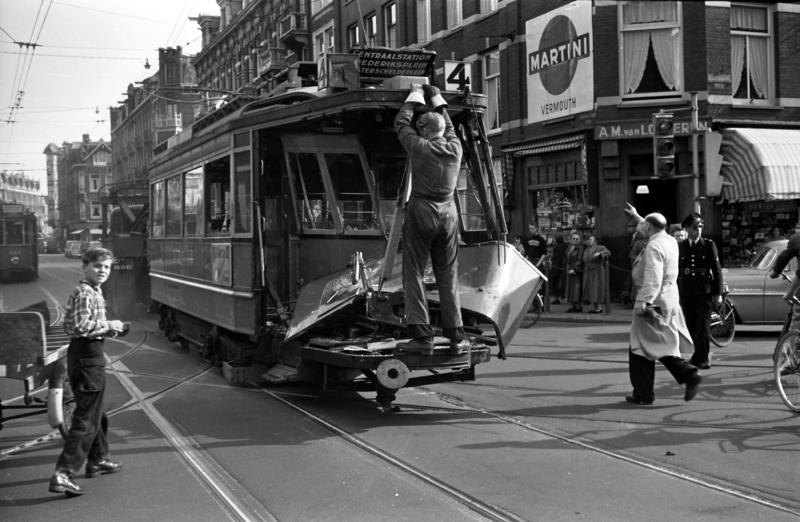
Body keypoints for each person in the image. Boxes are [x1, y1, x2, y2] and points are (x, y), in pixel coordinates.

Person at [393, 84, 469, 355]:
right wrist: (436, 97)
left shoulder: (419, 147)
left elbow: (401, 122)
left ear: (424, 130)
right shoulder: (455, 147)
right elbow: (448, 125)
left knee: (413, 270)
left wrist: (414, 96)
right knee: (448, 273)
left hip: (423, 210)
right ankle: (456, 335)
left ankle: (421, 335)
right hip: (449, 214)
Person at [49, 248, 126, 497]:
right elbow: (80, 327)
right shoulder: (85, 292)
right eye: (97, 266)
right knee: (86, 418)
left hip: (89, 354)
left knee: (97, 412)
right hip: (86, 356)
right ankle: (64, 473)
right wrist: (109, 325)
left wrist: (109, 330)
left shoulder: (94, 291)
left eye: (106, 267)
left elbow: (73, 324)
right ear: (84, 267)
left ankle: (98, 459)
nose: (102, 271)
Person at [627, 212, 702, 405]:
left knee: (646, 347)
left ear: (650, 228)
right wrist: (637, 216)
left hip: (654, 300)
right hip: (668, 297)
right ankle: (642, 393)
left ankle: (687, 374)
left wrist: (645, 301)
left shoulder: (654, 246)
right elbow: (653, 223)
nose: (640, 228)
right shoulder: (668, 240)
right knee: (648, 347)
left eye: (643, 226)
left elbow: (653, 275)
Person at [677, 213, 723, 370]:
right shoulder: (681, 246)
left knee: (702, 326)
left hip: (704, 291)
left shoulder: (708, 245)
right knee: (690, 325)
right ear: (687, 229)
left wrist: (718, 293)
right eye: (695, 227)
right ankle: (697, 356)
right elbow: (678, 270)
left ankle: (703, 359)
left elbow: (716, 270)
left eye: (700, 227)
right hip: (687, 290)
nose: (698, 230)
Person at [769, 231, 800, 332]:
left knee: (797, 319)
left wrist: (775, 272)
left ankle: (792, 344)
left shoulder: (797, 238)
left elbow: (784, 256)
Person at [582, 235, 610, 313]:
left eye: (591, 239)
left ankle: (598, 307)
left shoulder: (599, 247)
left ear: (595, 241)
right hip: (588, 271)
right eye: (589, 239)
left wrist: (600, 254)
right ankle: (595, 306)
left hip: (596, 271)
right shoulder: (587, 249)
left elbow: (608, 252)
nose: (589, 241)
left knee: (596, 288)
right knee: (590, 288)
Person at [564, 232, 585, 312]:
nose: (575, 240)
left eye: (577, 239)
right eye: (573, 238)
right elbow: (566, 257)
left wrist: (575, 269)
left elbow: (580, 260)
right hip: (568, 268)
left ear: (580, 240)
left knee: (576, 289)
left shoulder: (580, 248)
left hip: (576, 271)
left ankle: (578, 307)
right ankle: (572, 306)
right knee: (569, 288)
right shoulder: (570, 247)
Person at [549, 232, 568, 304]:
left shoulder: (556, 247)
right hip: (564, 266)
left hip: (557, 267)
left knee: (555, 283)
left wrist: (554, 268)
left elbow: (556, 259)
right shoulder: (566, 245)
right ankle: (563, 296)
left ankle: (557, 298)